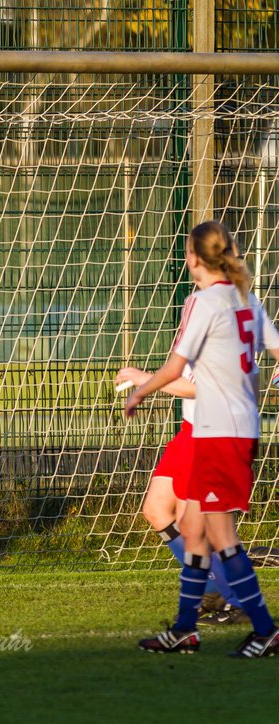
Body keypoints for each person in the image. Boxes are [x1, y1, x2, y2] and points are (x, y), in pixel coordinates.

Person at [124, 220, 279, 657]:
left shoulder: (203, 301)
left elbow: (176, 369)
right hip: (234, 429)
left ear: (193, 257)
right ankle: (186, 629)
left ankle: (265, 628)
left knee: (220, 536)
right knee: (193, 531)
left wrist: (140, 389)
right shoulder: (246, 299)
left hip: (218, 432)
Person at [113, 364, 248, 625]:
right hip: (190, 431)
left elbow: (205, 390)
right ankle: (211, 592)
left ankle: (238, 601)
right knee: (156, 510)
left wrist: (148, 380)